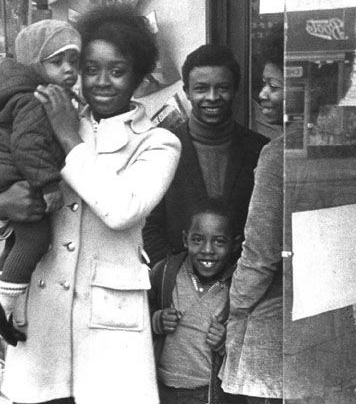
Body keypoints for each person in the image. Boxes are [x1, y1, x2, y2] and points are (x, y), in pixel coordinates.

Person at [0, 4, 181, 404]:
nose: (101, 81)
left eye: (117, 70)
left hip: (110, 327)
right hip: (42, 321)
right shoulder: (48, 114)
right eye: (90, 68)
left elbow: (122, 210)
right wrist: (0, 207)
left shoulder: (158, 142)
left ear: (139, 76)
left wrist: (70, 139)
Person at [222, 24, 341, 404]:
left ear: (308, 88)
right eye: (263, 84)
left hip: (275, 324)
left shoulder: (277, 157)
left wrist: (232, 307)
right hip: (326, 317)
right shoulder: (343, 147)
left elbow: (259, 256)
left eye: (275, 85)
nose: (262, 95)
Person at [0, 19, 82, 345]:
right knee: (35, 240)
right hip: (15, 176)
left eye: (74, 61)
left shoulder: (30, 96)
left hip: (4, 173)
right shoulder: (36, 100)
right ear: (36, 64)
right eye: (57, 61)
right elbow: (28, 145)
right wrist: (49, 185)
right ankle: (2, 306)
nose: (69, 70)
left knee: (15, 244)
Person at [143, 44, 268, 265]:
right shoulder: (160, 148)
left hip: (242, 287)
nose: (212, 97)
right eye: (201, 88)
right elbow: (149, 227)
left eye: (222, 88)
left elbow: (266, 230)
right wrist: (176, 282)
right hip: (176, 286)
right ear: (187, 92)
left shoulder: (260, 151)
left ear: (235, 90)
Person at [149, 197, 242, 404]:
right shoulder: (165, 272)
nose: (207, 249)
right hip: (162, 389)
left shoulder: (238, 286)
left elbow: (249, 338)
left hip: (208, 394)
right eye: (198, 239)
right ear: (185, 239)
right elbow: (138, 313)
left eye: (219, 241)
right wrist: (157, 321)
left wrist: (226, 342)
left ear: (235, 244)